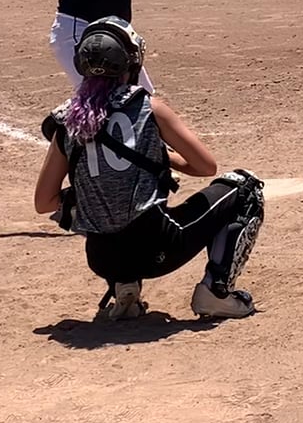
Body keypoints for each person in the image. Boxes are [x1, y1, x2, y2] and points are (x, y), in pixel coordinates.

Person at [33, 18, 263, 322]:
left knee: (93, 198)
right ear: (131, 62)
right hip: (158, 251)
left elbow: (44, 202)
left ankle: (124, 287)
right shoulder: (148, 108)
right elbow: (205, 166)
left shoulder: (67, 122)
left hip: (101, 259)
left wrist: (91, 193)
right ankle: (215, 291)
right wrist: (160, 158)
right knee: (245, 188)